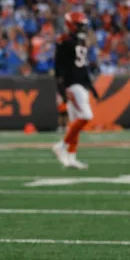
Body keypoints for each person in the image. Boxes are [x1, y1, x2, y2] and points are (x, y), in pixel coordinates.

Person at [52, 11, 97, 170]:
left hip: (81, 83)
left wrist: (91, 86)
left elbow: (83, 66)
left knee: (74, 124)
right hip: (72, 84)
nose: (83, 28)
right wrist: (61, 87)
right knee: (86, 116)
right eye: (80, 25)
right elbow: (59, 67)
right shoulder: (65, 41)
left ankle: (71, 158)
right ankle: (62, 146)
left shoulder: (80, 41)